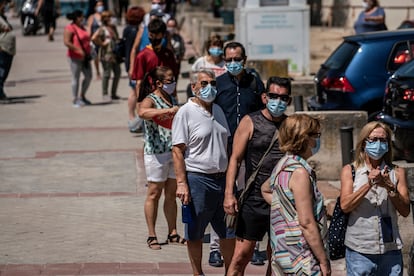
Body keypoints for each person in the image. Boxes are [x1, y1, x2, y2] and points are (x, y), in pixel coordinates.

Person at [224, 76, 292, 276]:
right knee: (241, 256)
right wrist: (229, 194)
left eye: (283, 98)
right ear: (264, 97)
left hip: (282, 199)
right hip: (254, 198)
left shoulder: (291, 126)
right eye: (273, 96)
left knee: (277, 257)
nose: (277, 101)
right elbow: (235, 160)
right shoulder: (250, 121)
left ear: (288, 101)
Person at [172, 70, 235, 276]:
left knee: (228, 232)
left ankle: (230, 272)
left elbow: (226, 144)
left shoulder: (217, 110)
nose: (210, 87)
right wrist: (182, 183)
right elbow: (178, 151)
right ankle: (198, 272)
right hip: (198, 180)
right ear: (194, 87)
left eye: (213, 83)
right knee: (195, 232)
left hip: (222, 179)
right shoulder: (186, 112)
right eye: (204, 83)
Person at [214, 41, 265, 266]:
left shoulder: (254, 83)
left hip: (250, 149)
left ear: (244, 60)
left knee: (250, 196)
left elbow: (263, 111)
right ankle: (217, 247)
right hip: (224, 149)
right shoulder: (218, 84)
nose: (233, 63)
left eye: (237, 59)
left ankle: (251, 244)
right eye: (229, 60)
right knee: (222, 197)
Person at [261, 114, 331, 276]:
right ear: (304, 138)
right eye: (316, 135)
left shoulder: (282, 165)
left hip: (283, 253)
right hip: (302, 257)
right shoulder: (299, 172)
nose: (317, 141)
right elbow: (306, 223)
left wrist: (288, 211)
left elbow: (265, 189)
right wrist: (323, 260)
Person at [340, 121, 410, 275]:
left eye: (383, 140)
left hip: (390, 249)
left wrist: (389, 186)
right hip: (360, 249)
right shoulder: (350, 171)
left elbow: (405, 210)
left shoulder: (397, 172)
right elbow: (345, 205)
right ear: (364, 143)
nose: (378, 144)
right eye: (373, 140)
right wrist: (369, 184)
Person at [137, 66, 185, 250]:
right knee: (154, 193)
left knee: (171, 195)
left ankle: (173, 232)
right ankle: (152, 235)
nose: (173, 83)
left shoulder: (170, 97)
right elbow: (142, 113)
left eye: (173, 80)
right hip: (156, 154)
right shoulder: (151, 99)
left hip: (173, 151)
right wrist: (165, 112)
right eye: (169, 80)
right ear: (158, 83)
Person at [129, 18, 178, 133]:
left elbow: (173, 77)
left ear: (163, 35)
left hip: (167, 98)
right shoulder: (142, 56)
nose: (154, 38)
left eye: (157, 35)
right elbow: (139, 82)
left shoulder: (168, 54)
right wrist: (139, 102)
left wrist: (174, 97)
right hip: (150, 99)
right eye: (152, 35)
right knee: (150, 133)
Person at [122, 5, 145, 132]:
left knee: (134, 92)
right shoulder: (135, 31)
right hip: (134, 66)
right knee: (135, 93)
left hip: (130, 64)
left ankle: (134, 119)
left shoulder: (127, 29)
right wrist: (132, 67)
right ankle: (133, 120)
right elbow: (133, 50)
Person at [63, 9, 93, 107]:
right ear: (77, 18)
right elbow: (66, 42)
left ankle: (82, 96)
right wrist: (78, 50)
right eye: (81, 17)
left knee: (88, 76)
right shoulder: (70, 28)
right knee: (76, 77)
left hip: (85, 57)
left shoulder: (83, 28)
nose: (83, 19)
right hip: (74, 57)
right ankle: (75, 99)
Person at [91, 10, 121, 102]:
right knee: (107, 74)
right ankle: (105, 94)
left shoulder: (113, 27)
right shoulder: (102, 28)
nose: (111, 19)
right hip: (106, 55)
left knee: (117, 73)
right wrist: (102, 44)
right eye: (109, 17)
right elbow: (94, 38)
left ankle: (113, 93)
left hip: (115, 54)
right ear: (105, 18)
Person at [0, 0, 15, 102]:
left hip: (8, 49)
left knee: (3, 72)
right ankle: (0, 95)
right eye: (3, 4)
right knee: (1, 73)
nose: (5, 6)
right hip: (2, 49)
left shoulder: (2, 17)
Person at [87, 0, 104, 79]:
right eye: (99, 5)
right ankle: (98, 72)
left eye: (101, 5)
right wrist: (89, 38)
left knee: (104, 57)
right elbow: (89, 29)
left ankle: (105, 71)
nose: (100, 7)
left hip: (103, 40)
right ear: (95, 7)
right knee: (96, 57)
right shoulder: (92, 17)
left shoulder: (105, 15)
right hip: (94, 40)